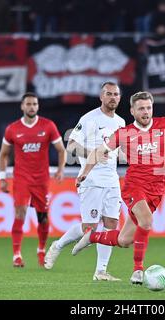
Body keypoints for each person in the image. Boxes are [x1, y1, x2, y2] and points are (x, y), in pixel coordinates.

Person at [71, 91, 165, 284]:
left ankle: (92, 237)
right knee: (147, 221)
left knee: (125, 240)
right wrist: (84, 172)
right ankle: (138, 270)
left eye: (149, 108)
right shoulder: (124, 134)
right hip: (134, 186)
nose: (146, 112)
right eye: (141, 108)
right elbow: (99, 151)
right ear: (132, 111)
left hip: (156, 189)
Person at [44, 82, 126, 281]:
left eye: (116, 94)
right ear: (101, 96)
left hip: (112, 181)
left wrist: (127, 156)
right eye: (109, 94)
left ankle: (101, 271)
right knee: (88, 228)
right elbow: (71, 145)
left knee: (111, 225)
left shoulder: (121, 122)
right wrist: (93, 154)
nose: (113, 97)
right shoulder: (89, 119)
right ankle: (58, 245)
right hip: (91, 179)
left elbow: (119, 152)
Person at [0, 92, 67, 268]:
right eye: (28, 104)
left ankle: (41, 250)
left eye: (34, 104)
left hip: (41, 179)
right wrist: (2, 177)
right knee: (19, 212)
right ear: (22, 106)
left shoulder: (48, 126)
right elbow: (3, 154)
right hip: (21, 178)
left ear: (38, 106)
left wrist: (60, 169)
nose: (31, 107)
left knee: (42, 217)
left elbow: (61, 150)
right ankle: (16, 255)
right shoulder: (13, 129)